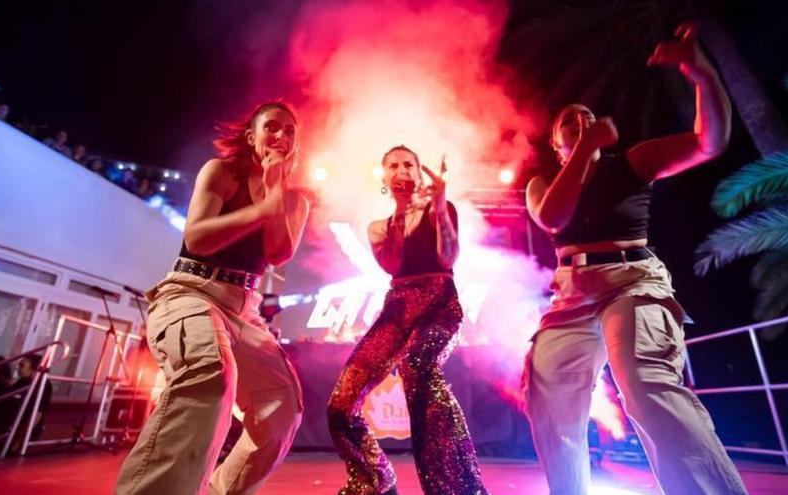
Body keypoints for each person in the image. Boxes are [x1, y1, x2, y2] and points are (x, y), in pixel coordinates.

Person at [523, 23, 748, 495]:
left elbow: (711, 142)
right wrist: (585, 147)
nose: (582, 121)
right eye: (571, 120)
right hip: (571, 293)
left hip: (632, 281)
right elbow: (554, 217)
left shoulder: (633, 161)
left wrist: (701, 73)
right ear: (555, 140)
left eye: (588, 116)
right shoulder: (542, 183)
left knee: (645, 383)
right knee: (547, 396)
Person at [115, 101, 310, 495]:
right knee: (210, 374)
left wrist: (274, 192)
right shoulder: (221, 172)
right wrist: (263, 207)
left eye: (290, 131)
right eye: (272, 127)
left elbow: (277, 253)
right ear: (251, 136)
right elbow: (199, 237)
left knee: (281, 408)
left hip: (246, 309)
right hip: (191, 291)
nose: (282, 136)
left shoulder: (294, 200)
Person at [327, 146, 488, 495]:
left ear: (419, 172)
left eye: (409, 164)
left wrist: (441, 206)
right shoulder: (377, 228)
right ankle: (374, 479)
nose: (402, 170)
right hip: (397, 308)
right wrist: (401, 213)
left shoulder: (440, 210)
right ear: (384, 177)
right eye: (393, 166)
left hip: (439, 302)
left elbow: (448, 257)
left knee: (418, 368)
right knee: (341, 402)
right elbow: (393, 266)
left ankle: (456, 489)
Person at [6, 354, 53, 452]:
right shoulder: (22, 382)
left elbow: (38, 413)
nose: (17, 368)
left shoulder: (43, 386)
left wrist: (20, 438)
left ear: (33, 369)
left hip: (20, 431)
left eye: (22, 366)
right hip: (10, 427)